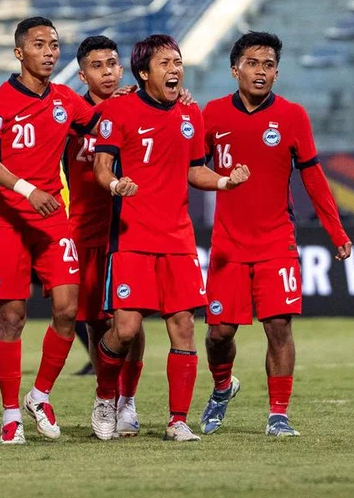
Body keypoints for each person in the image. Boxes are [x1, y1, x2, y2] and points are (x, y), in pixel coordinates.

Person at [90, 34, 250, 443]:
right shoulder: (118, 109)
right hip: (131, 236)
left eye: (177, 61)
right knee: (125, 329)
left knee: (183, 326)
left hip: (177, 238)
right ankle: (106, 397)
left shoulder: (189, 114)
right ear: (144, 73)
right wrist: (114, 186)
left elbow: (195, 169)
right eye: (164, 63)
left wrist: (224, 181)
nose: (174, 69)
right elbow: (101, 167)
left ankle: (177, 420)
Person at [198, 32, 351, 437]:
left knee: (279, 326)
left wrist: (336, 232)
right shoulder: (211, 114)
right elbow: (191, 167)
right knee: (218, 333)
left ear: (277, 73)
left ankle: (278, 414)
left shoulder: (293, 116)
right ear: (235, 70)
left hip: (275, 241)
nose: (260, 71)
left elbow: (314, 177)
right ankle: (221, 387)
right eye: (252, 63)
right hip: (228, 243)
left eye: (268, 65)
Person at [0, 16, 99, 445]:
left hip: (51, 218)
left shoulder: (65, 99)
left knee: (68, 309)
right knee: (12, 317)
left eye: (54, 44)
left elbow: (102, 121)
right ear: (19, 52)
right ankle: (10, 413)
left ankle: (39, 394)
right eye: (40, 44)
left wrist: (140, 101)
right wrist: (27, 190)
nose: (49, 51)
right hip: (10, 217)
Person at [65, 35, 145, 436]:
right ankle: (108, 400)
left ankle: (128, 401)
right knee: (98, 323)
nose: (108, 71)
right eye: (98, 66)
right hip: (84, 231)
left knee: (132, 318)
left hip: (127, 228)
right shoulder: (69, 118)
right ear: (83, 74)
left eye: (113, 63)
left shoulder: (136, 108)